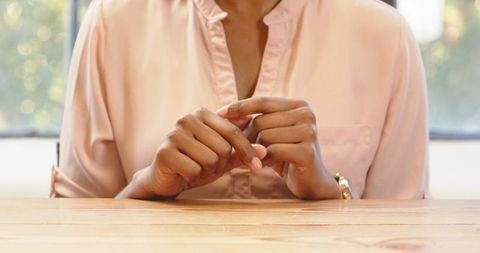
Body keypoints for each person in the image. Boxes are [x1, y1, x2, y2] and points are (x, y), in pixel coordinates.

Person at [51, 0, 429, 200]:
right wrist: (146, 186)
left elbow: (406, 233)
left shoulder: (384, 35)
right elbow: (72, 227)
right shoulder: (113, 22)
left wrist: (328, 189)